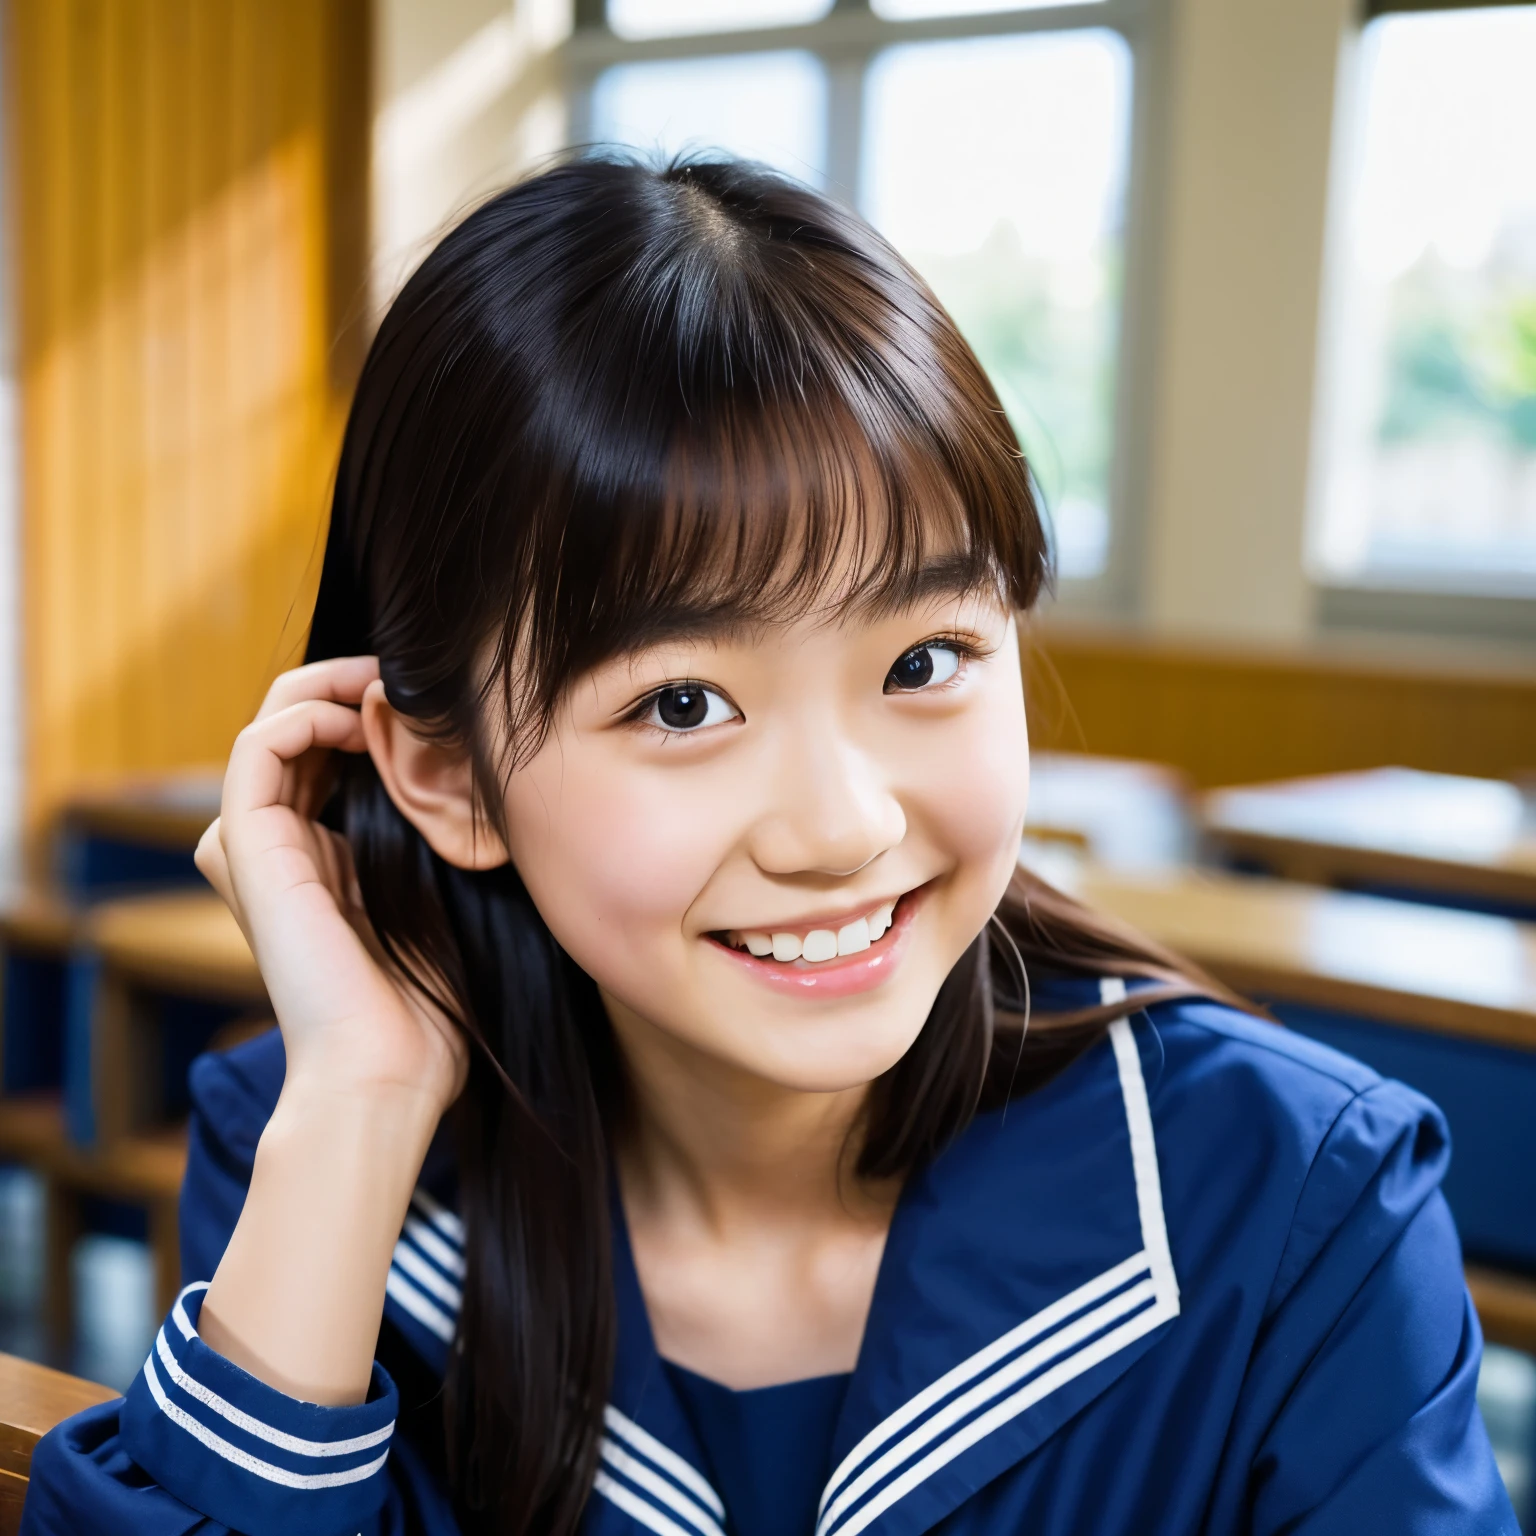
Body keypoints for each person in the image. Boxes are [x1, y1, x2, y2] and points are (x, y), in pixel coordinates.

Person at [21, 156, 1515, 1536]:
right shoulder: (327, 1150)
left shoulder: (1297, 1198)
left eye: (926, 661)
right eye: (684, 701)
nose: (844, 826)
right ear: (447, 772)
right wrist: (358, 1096)